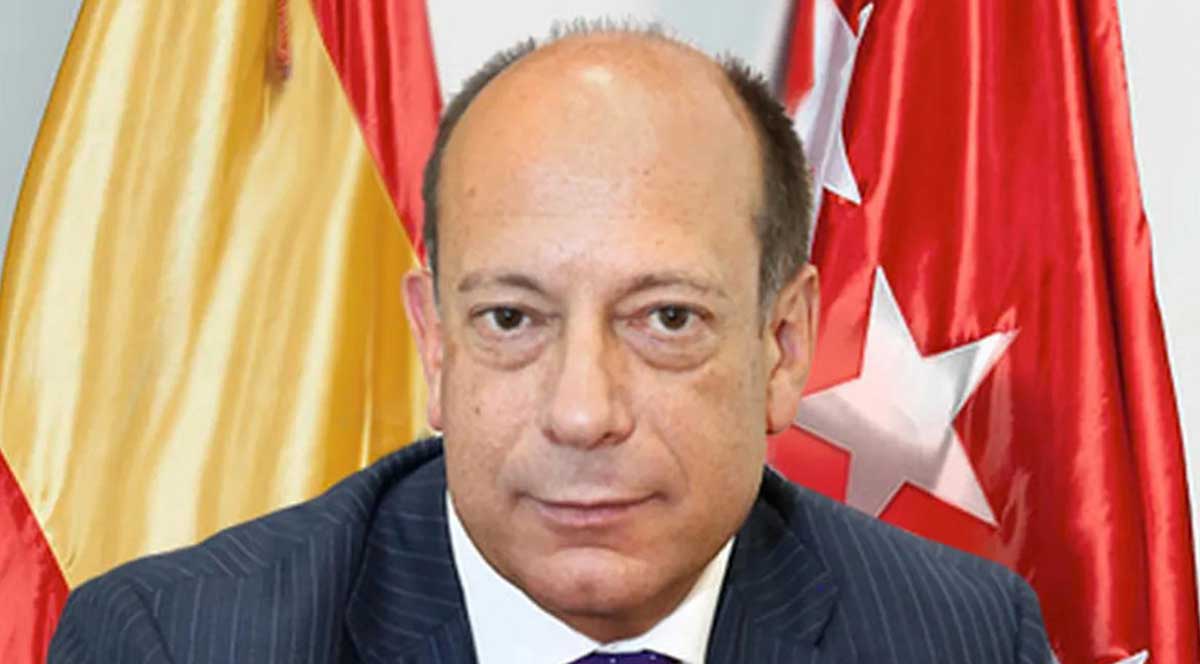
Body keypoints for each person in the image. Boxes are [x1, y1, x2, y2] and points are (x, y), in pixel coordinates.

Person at [48, 24, 1053, 664]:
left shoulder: (963, 637)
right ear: (435, 345)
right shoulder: (176, 643)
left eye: (666, 318)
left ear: (783, 346)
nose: (582, 413)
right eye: (511, 319)